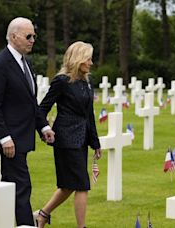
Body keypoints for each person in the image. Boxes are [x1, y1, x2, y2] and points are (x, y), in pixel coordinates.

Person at [0, 17, 55, 226]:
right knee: (21, 186)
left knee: (15, 186)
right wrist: (4, 138)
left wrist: (43, 126)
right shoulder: (0, 63)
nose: (33, 40)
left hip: (22, 136)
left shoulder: (25, 62)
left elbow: (31, 102)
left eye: (34, 35)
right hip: (10, 140)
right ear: (14, 36)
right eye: (28, 36)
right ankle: (27, 225)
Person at [36, 41, 102, 228]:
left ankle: (42, 215)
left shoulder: (86, 82)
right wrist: (45, 129)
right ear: (78, 59)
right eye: (88, 58)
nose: (91, 62)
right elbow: (42, 109)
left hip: (81, 140)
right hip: (65, 139)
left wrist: (95, 143)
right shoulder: (62, 81)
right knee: (82, 184)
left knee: (68, 185)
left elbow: (89, 115)